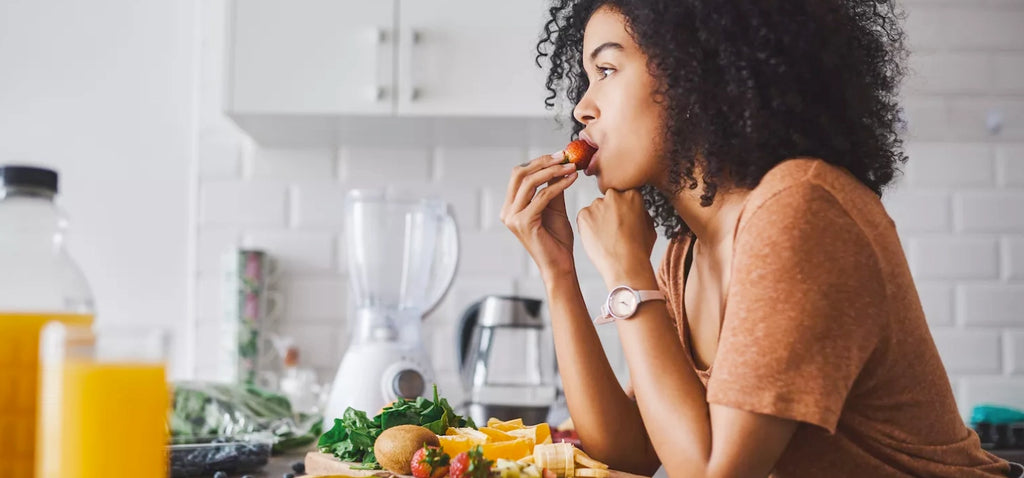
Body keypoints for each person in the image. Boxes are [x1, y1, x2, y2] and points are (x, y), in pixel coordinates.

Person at [500, 1, 1018, 477]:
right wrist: (559, 271)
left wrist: (629, 275)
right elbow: (630, 451)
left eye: (607, 70)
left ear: (694, 73)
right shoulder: (688, 251)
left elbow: (713, 473)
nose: (582, 109)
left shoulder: (801, 208)